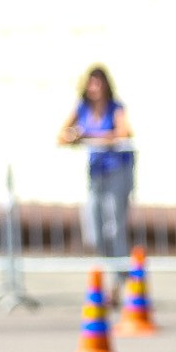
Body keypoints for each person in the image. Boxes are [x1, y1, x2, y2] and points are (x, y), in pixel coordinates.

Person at [57, 65, 133, 258]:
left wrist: (89, 135)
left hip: (117, 170)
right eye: (91, 83)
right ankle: (107, 268)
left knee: (115, 225)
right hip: (96, 172)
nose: (95, 87)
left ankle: (119, 273)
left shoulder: (115, 107)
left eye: (99, 82)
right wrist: (74, 136)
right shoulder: (82, 107)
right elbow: (61, 136)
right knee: (94, 227)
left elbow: (124, 133)